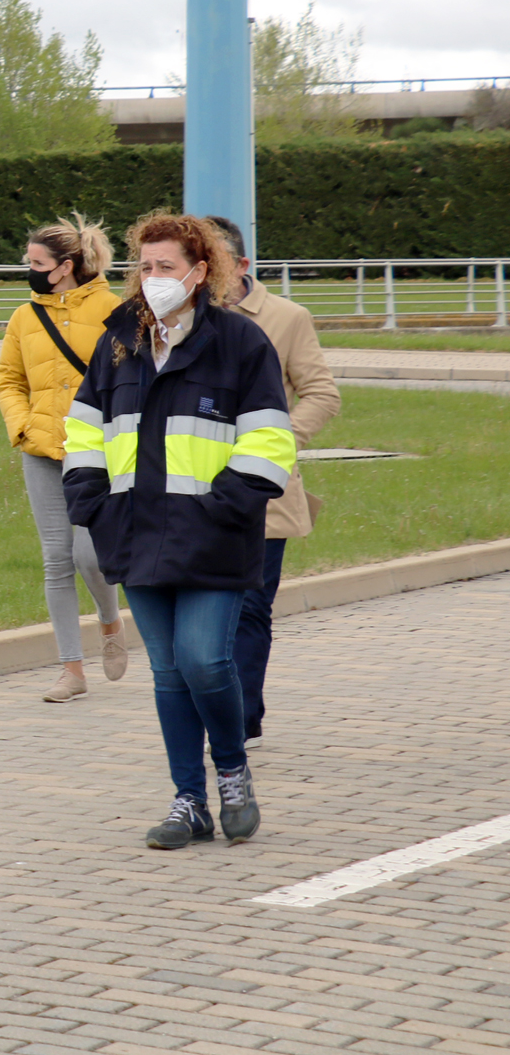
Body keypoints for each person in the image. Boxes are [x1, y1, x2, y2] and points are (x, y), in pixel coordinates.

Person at [64, 212, 296, 849]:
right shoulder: (119, 342)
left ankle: (232, 772)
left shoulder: (240, 343)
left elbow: (270, 443)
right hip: (135, 534)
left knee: (205, 661)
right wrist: (92, 502)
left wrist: (223, 506)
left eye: (166, 266)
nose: (153, 277)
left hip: (215, 536)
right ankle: (188, 800)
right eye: (145, 266)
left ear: (200, 272)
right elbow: (83, 429)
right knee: (168, 673)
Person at [206, 215, 340, 749]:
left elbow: (322, 394)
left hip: (263, 491)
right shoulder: (179, 318)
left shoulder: (287, 318)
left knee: (249, 606)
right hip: (192, 487)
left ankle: (241, 722)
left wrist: (277, 442)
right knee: (204, 606)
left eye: (215, 262)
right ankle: (211, 710)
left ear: (241, 264)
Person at [0, 214, 128, 702]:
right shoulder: (23, 317)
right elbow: (9, 379)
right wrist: (23, 425)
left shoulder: (114, 310)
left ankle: (111, 622)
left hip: (96, 452)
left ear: (65, 266)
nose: (28, 270)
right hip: (41, 451)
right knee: (55, 559)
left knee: (88, 556)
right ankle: (71, 670)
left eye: (36, 263)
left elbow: (131, 378)